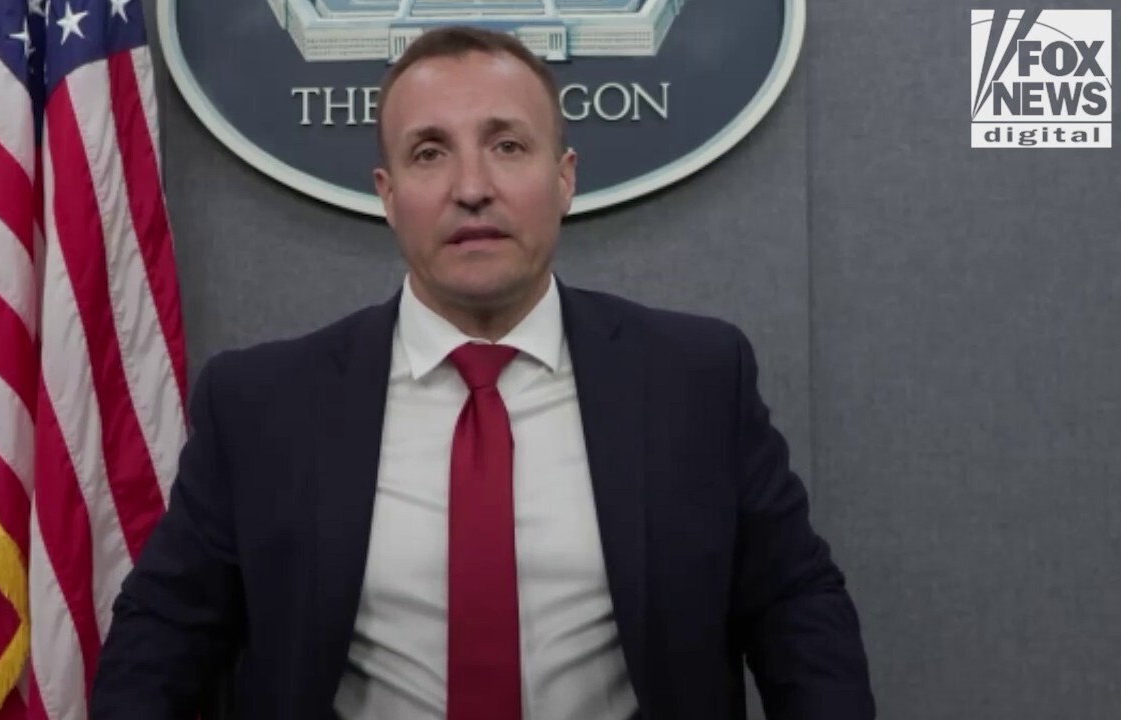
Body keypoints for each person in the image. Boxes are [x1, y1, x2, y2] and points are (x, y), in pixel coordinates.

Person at [90, 24, 875, 720]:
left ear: (564, 177)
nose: (471, 189)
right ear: (388, 195)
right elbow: (163, 633)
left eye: (507, 146)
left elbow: (795, 606)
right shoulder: (262, 406)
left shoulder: (695, 381)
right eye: (429, 153)